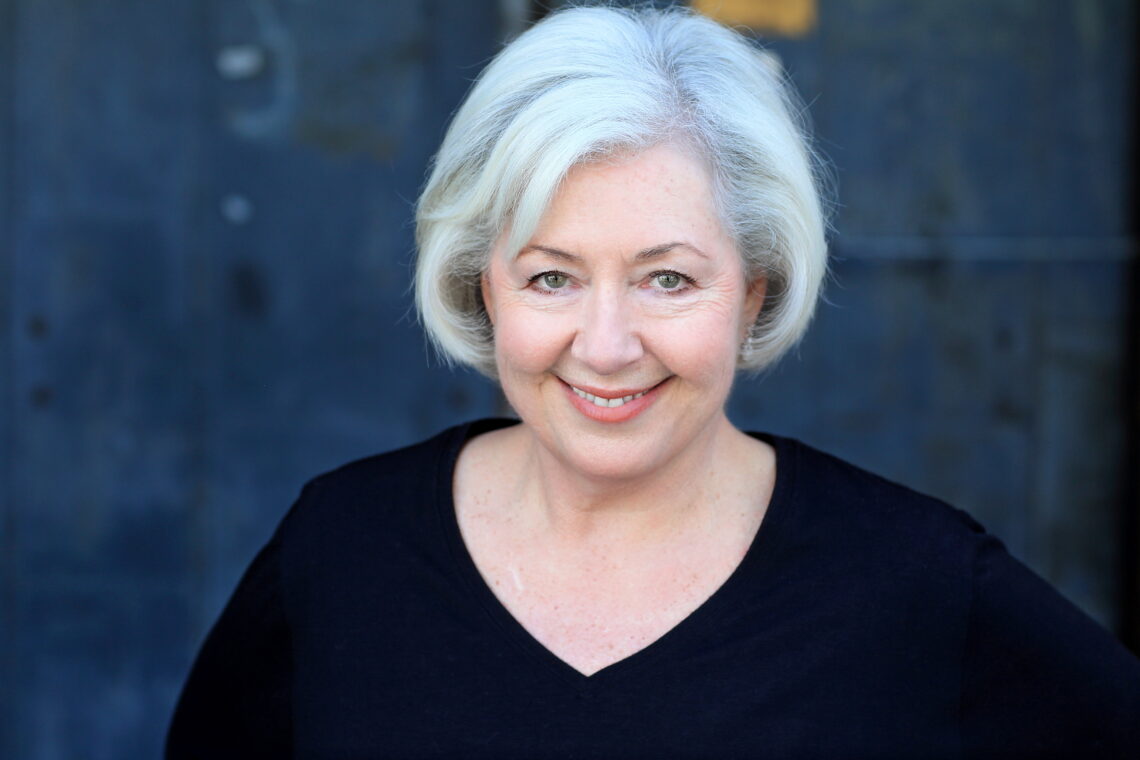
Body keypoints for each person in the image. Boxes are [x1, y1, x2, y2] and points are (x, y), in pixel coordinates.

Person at [167, 6, 1140, 758]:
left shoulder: (919, 586)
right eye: (552, 275)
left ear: (753, 288)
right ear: (482, 284)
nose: (606, 343)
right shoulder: (342, 553)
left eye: (667, 278)